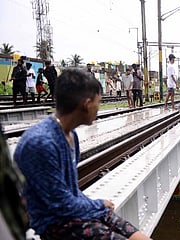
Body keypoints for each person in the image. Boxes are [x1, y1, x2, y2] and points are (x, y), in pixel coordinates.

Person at [14, 68, 150, 240]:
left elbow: (71, 192)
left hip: (71, 213)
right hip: (53, 224)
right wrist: (98, 205)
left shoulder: (71, 135)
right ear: (86, 104)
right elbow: (60, 204)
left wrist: (98, 206)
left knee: (136, 235)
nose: (98, 109)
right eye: (98, 103)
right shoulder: (41, 143)